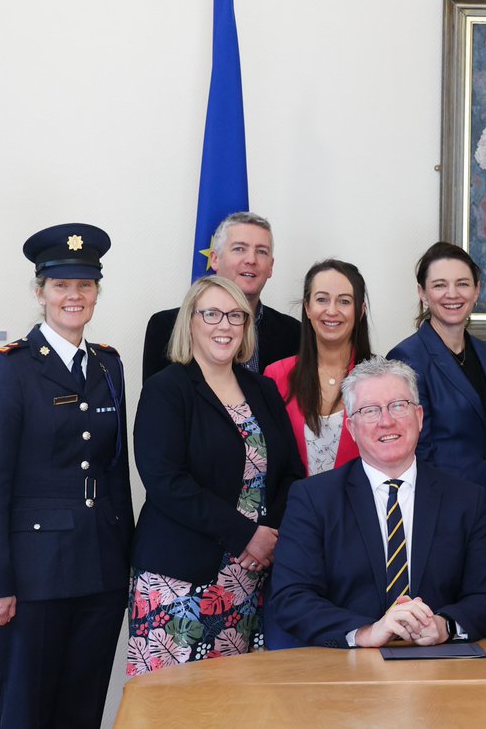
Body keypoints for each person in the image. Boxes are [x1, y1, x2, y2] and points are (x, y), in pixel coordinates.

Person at [0, 223, 133, 728]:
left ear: (97, 293)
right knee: (28, 713)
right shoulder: (10, 370)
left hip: (100, 570)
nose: (74, 296)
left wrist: (126, 561)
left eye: (85, 285)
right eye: (61, 285)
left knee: (82, 712)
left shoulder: (108, 366)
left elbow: (116, 472)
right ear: (40, 292)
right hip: (34, 574)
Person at [127, 276, 303, 675]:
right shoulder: (166, 389)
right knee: (172, 709)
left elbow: (292, 473)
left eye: (236, 316)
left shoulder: (263, 390)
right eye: (211, 314)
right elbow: (166, 481)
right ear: (190, 322)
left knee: (233, 706)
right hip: (178, 581)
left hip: (251, 576)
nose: (224, 325)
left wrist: (268, 536)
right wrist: (246, 536)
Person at [267, 357, 486, 648]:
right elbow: (292, 598)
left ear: (419, 417)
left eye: (398, 405)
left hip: (439, 668)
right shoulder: (313, 499)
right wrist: (366, 632)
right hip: (345, 669)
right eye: (370, 410)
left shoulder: (467, 500)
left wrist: (445, 626)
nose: (386, 421)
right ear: (352, 428)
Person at [387, 242, 486, 549]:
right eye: (440, 285)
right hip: (438, 510)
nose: (452, 294)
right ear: (422, 293)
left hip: (484, 504)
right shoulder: (406, 357)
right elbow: (412, 451)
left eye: (462, 284)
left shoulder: (485, 353)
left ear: (476, 290)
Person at [142, 211, 300, 380]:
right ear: (214, 259)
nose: (251, 260)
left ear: (271, 267)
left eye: (261, 251)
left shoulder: (294, 333)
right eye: (239, 249)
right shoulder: (165, 327)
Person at [264, 260, 373, 476]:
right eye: (322, 299)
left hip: (360, 506)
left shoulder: (380, 378)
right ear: (307, 308)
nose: (331, 310)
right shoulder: (276, 376)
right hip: (293, 505)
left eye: (344, 301)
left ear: (360, 311)